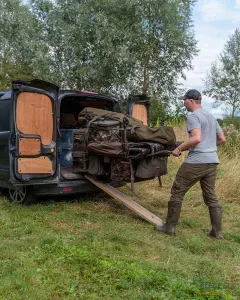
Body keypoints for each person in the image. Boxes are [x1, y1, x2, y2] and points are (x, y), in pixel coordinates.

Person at [155, 89, 226, 239]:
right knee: (211, 196)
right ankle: (217, 232)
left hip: (197, 162)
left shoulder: (193, 115)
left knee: (178, 191)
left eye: (184, 100)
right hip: (212, 162)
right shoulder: (211, 116)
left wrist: (178, 148)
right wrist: (208, 147)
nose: (183, 103)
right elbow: (222, 139)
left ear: (191, 101)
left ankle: (169, 227)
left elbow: (196, 138)